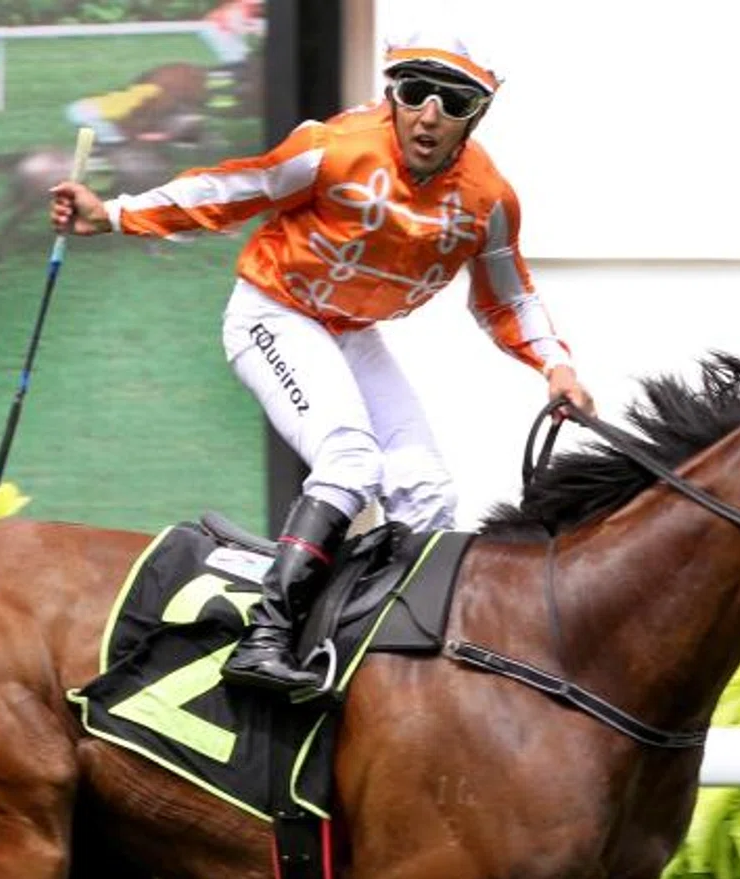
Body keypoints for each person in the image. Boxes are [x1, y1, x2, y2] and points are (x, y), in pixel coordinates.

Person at [50, 31, 594, 697]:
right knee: (351, 461)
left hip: (350, 330)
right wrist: (113, 214)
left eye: (452, 101)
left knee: (428, 491)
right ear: (391, 94)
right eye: (414, 91)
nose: (428, 113)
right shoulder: (332, 148)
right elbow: (232, 189)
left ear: (475, 116)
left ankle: (408, 656)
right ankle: (266, 636)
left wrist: (556, 367)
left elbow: (509, 299)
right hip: (273, 313)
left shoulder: (489, 201)